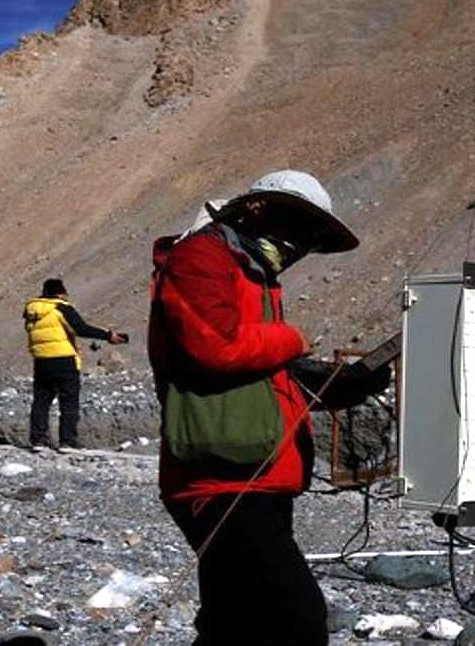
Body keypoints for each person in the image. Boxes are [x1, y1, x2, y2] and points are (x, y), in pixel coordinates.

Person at [148, 169, 359, 645]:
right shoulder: (202, 256)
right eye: (300, 228)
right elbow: (216, 348)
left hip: (254, 471)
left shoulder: (251, 272)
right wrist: (294, 339)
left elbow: (256, 379)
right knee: (294, 619)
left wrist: (332, 387)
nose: (302, 245)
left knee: (235, 621)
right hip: (222, 477)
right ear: (258, 210)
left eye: (311, 237)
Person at [23, 278, 128, 451]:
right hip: (64, 360)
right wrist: (108, 335)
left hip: (41, 360)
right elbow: (81, 329)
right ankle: (68, 440)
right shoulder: (61, 308)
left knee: (41, 400)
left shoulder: (31, 310)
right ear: (60, 293)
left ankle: (38, 439)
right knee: (69, 400)